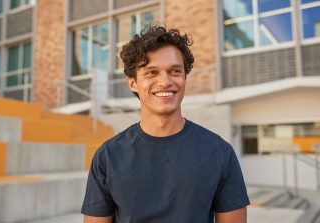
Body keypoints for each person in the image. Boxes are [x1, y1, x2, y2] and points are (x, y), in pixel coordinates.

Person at [81, 24, 250, 223]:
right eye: (151, 72)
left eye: (175, 71)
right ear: (132, 82)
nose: (165, 81)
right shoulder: (107, 157)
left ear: (185, 77)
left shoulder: (220, 153)